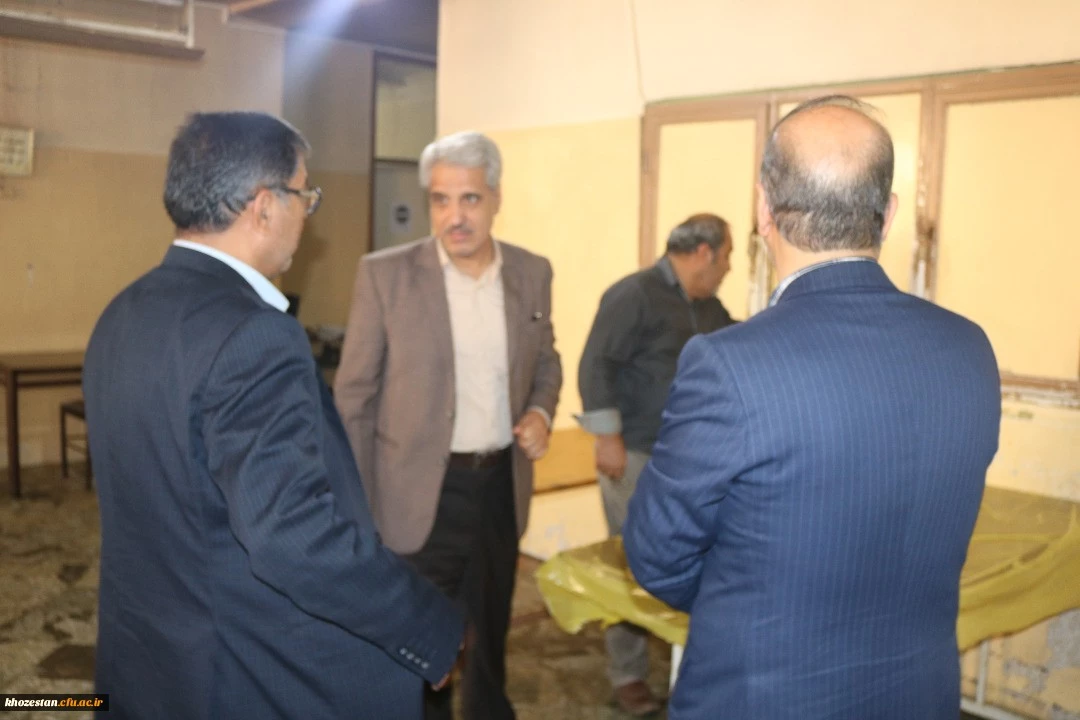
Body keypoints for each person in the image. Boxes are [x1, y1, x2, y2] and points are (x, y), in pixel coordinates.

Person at [623, 96, 1001, 719]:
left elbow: (657, 551)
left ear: (762, 209)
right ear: (888, 215)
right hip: (918, 694)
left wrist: (752, 602)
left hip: (765, 695)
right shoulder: (968, 348)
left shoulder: (728, 364)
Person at [82, 112, 464, 720]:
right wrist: (425, 623)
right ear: (263, 206)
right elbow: (292, 536)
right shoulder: (254, 334)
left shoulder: (123, 312)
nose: (308, 214)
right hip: (243, 669)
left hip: (151, 654)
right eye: (305, 194)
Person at [334, 130, 562, 720]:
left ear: (496, 198)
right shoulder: (385, 276)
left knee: (489, 633)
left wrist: (539, 411)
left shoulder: (531, 273)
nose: (454, 217)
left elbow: (546, 360)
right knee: (419, 647)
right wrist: (359, 508)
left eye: (470, 199)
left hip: (498, 487)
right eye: (440, 200)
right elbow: (354, 398)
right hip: (414, 493)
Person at [575, 212, 736, 715]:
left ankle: (678, 661)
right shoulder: (635, 294)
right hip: (633, 454)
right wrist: (608, 438)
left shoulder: (708, 307)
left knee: (682, 559)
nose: (729, 268)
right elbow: (596, 363)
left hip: (687, 459)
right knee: (631, 561)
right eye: (728, 257)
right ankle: (627, 674)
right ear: (705, 253)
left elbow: (736, 345)